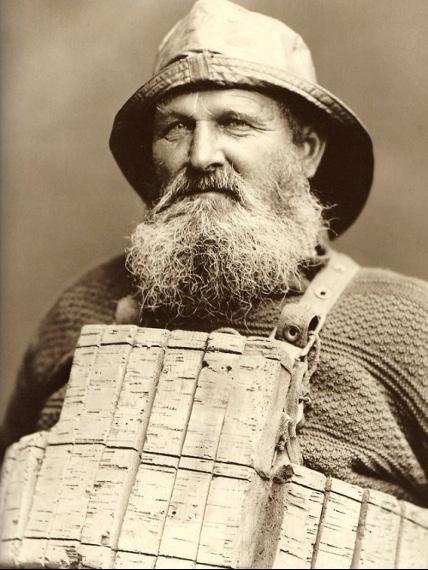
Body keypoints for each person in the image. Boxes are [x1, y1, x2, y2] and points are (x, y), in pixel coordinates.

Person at [1, 0, 427, 508]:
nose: (201, 155)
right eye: (176, 128)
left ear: (307, 150)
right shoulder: (80, 312)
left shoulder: (406, 327)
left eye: (235, 123)